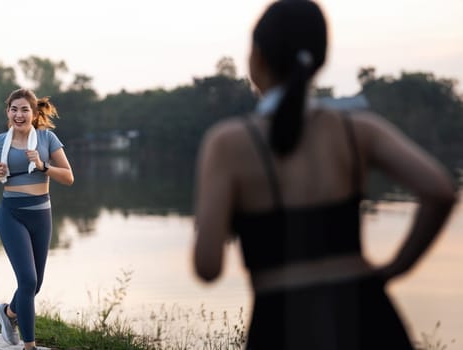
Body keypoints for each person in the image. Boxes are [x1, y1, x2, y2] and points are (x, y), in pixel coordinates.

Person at [192, 1, 457, 349]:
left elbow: (208, 267)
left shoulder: (228, 143)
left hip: (280, 324)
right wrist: (396, 269)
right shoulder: (357, 130)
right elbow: (440, 191)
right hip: (368, 317)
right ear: (320, 60)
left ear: (257, 59)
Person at [0, 88, 74, 350]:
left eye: (24, 109)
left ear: (35, 113)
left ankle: (8, 313)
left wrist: (43, 166)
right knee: (28, 281)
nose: (19, 114)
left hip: (42, 215)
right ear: (8, 112)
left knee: (35, 284)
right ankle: (29, 346)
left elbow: (68, 176)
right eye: (14, 109)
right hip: (12, 214)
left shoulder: (47, 138)